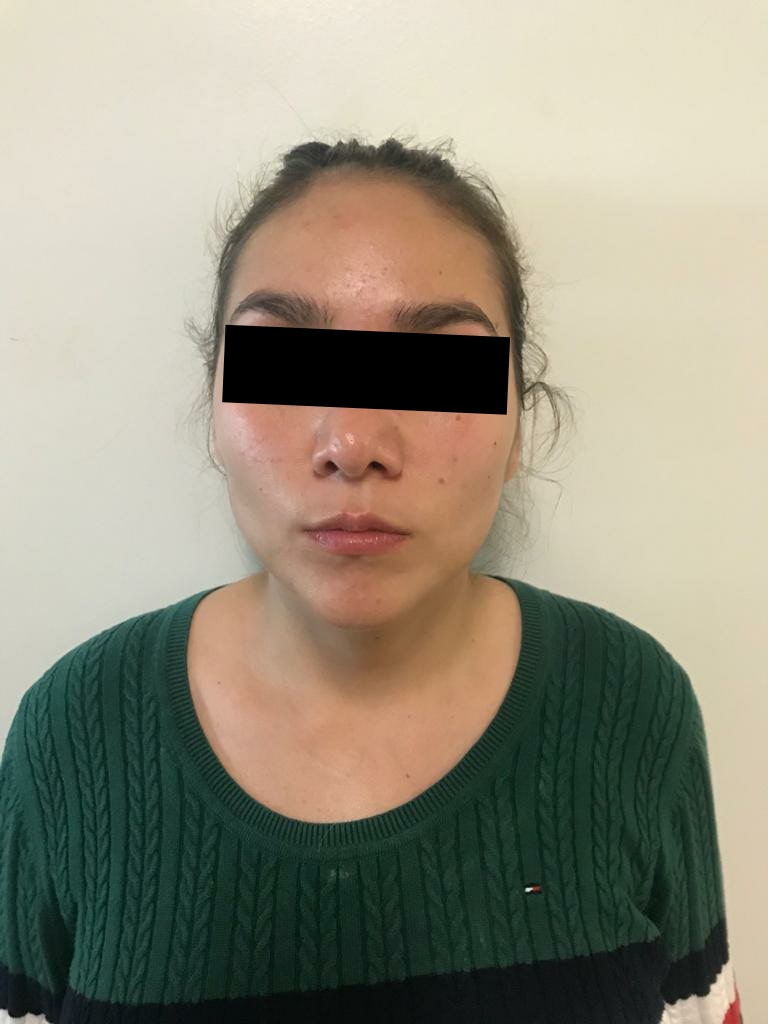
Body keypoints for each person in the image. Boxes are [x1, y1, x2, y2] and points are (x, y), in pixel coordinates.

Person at [0, 135, 742, 1023]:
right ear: (215, 410)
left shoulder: (632, 706)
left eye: (437, 369)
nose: (352, 443)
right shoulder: (72, 737)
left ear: (518, 424)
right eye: (285, 362)